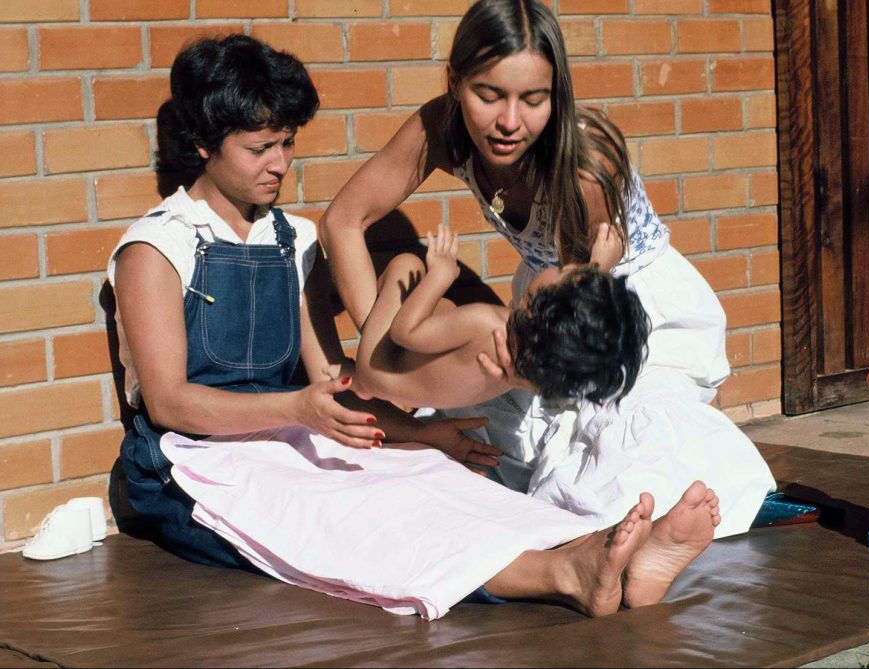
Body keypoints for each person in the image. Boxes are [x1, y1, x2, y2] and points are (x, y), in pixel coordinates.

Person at [108, 33, 720, 620]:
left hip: (288, 434)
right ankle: (562, 573)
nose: (280, 164)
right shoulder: (156, 249)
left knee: (427, 475)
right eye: (259, 148)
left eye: (287, 143)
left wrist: (420, 434)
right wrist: (297, 409)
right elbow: (169, 403)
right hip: (188, 461)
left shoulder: (291, 241)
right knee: (359, 518)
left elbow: (333, 377)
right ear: (204, 144)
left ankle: (608, 552)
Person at [321, 0, 776, 541]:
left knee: (613, 438)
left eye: (533, 100)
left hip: (614, 311)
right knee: (482, 443)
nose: (509, 122)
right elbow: (343, 221)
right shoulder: (441, 127)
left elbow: (586, 290)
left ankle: (641, 534)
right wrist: (385, 362)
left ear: (556, 94)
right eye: (488, 94)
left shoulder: (585, 165)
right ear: (455, 81)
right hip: (545, 306)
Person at [351, 223, 650, 410]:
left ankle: (358, 383)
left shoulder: (488, 323)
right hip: (416, 392)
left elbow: (405, 332)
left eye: (561, 271)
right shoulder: (533, 364)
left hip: (378, 369)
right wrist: (597, 268)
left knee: (407, 266)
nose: (561, 265)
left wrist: (440, 275)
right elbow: (575, 325)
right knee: (444, 309)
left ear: (543, 304)